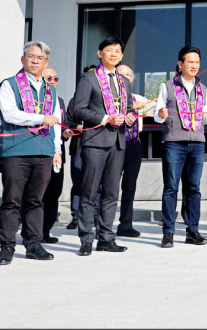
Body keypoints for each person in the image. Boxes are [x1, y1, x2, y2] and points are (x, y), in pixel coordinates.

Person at [0, 41, 63, 265]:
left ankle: (33, 244)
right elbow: (11, 114)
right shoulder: (9, 84)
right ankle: (6, 246)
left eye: (39, 58)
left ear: (46, 62)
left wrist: (57, 149)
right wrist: (40, 118)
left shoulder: (50, 89)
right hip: (16, 151)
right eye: (31, 56)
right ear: (22, 59)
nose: (35, 61)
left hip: (43, 151)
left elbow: (56, 124)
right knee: (12, 200)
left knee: (36, 201)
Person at [70, 37, 135, 256]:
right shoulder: (89, 78)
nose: (114, 54)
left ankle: (107, 237)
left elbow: (129, 108)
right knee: (89, 192)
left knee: (111, 192)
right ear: (100, 53)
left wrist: (129, 117)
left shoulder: (123, 81)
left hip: (118, 142)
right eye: (110, 50)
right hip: (96, 141)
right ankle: (86, 238)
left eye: (118, 51)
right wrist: (106, 117)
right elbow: (78, 110)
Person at [153, 47, 207, 247]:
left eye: (197, 62)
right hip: (174, 143)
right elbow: (156, 113)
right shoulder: (167, 86)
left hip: (197, 143)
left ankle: (192, 230)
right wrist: (160, 115)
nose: (194, 65)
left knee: (193, 188)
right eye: (190, 62)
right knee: (171, 188)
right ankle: (168, 231)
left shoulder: (202, 88)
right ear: (180, 64)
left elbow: (206, 115)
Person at [40, 67, 72, 243]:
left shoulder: (59, 101)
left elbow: (63, 125)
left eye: (55, 79)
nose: (52, 82)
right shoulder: (34, 99)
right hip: (39, 152)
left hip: (57, 155)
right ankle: (32, 232)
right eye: (49, 78)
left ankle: (45, 230)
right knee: (37, 194)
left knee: (54, 193)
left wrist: (66, 132)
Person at [65, 64, 98, 230]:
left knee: (96, 183)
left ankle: (95, 217)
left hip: (97, 144)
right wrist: (79, 127)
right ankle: (75, 216)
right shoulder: (74, 101)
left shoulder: (101, 101)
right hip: (79, 144)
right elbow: (67, 121)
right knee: (78, 181)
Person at [115, 64, 145, 238]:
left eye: (128, 75)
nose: (126, 78)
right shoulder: (111, 98)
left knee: (130, 186)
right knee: (109, 186)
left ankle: (126, 224)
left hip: (134, 144)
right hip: (115, 142)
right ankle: (101, 225)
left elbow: (154, 109)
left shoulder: (139, 98)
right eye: (122, 75)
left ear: (132, 79)